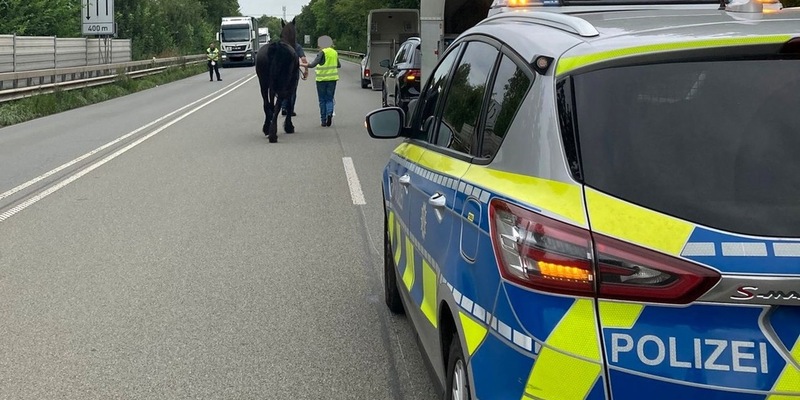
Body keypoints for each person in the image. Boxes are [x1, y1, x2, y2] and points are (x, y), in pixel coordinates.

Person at [302, 36, 340, 127]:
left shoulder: (322, 53)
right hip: (332, 79)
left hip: (321, 80)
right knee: (330, 98)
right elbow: (338, 65)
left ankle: (323, 120)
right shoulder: (334, 53)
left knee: (322, 100)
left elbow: (312, 65)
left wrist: (300, 64)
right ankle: (329, 114)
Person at [281, 43, 309, 117]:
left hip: (282, 71)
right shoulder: (297, 46)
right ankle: (290, 110)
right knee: (293, 91)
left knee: (284, 89)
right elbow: (303, 59)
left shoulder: (282, 45)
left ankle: (283, 107)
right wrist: (306, 70)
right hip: (294, 71)